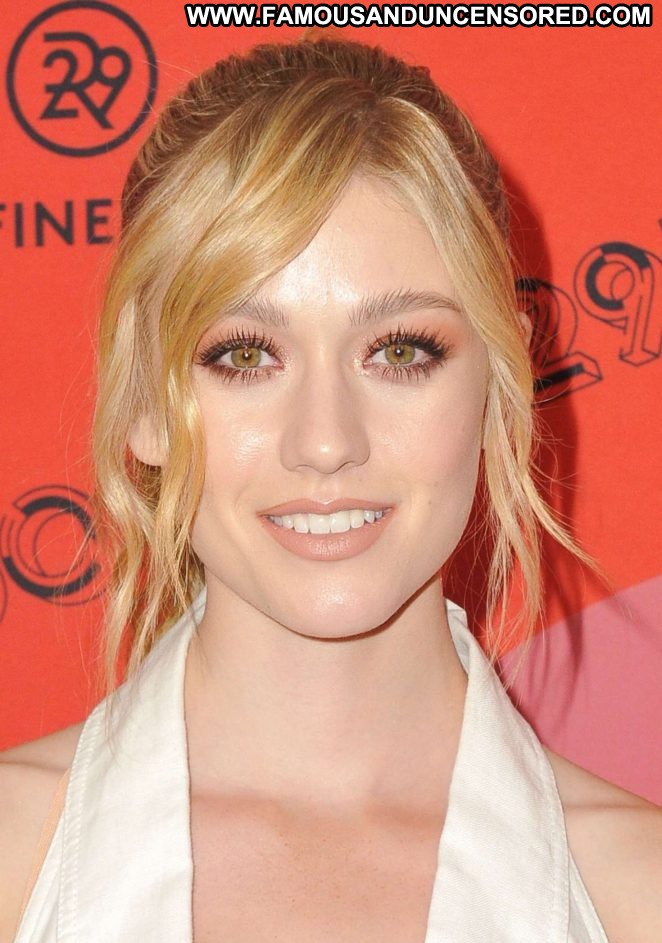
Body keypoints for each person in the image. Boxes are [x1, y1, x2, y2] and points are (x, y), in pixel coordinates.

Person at [1, 30, 660, 943]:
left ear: (498, 384)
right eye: (244, 354)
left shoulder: (640, 895)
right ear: (144, 399)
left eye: (400, 351)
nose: (325, 442)